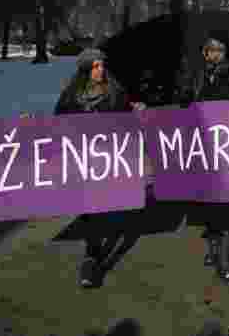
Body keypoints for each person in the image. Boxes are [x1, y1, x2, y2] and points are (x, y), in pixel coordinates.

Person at [54, 48, 144, 288]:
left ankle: (94, 253)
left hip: (107, 157)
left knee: (100, 208)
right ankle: (92, 256)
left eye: (102, 65)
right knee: (89, 209)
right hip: (83, 157)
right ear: (85, 70)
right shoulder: (71, 95)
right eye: (95, 66)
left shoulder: (114, 91)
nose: (100, 70)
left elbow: (127, 119)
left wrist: (136, 111)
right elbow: (57, 122)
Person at [175, 31, 229, 283]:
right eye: (211, 50)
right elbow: (185, 101)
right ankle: (213, 249)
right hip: (204, 145)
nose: (215, 54)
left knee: (228, 203)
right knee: (209, 202)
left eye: (219, 50)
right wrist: (183, 93)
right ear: (205, 53)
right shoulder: (197, 74)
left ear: (226, 52)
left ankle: (226, 260)